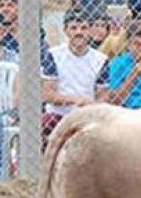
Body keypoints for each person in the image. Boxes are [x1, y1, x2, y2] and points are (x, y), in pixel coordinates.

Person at [44, 11, 110, 142]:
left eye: (84, 28)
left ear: (90, 31)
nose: (78, 32)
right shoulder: (53, 55)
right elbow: (47, 94)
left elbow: (103, 95)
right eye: (73, 28)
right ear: (65, 31)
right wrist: (76, 100)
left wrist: (92, 106)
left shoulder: (101, 60)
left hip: (88, 116)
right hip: (58, 115)